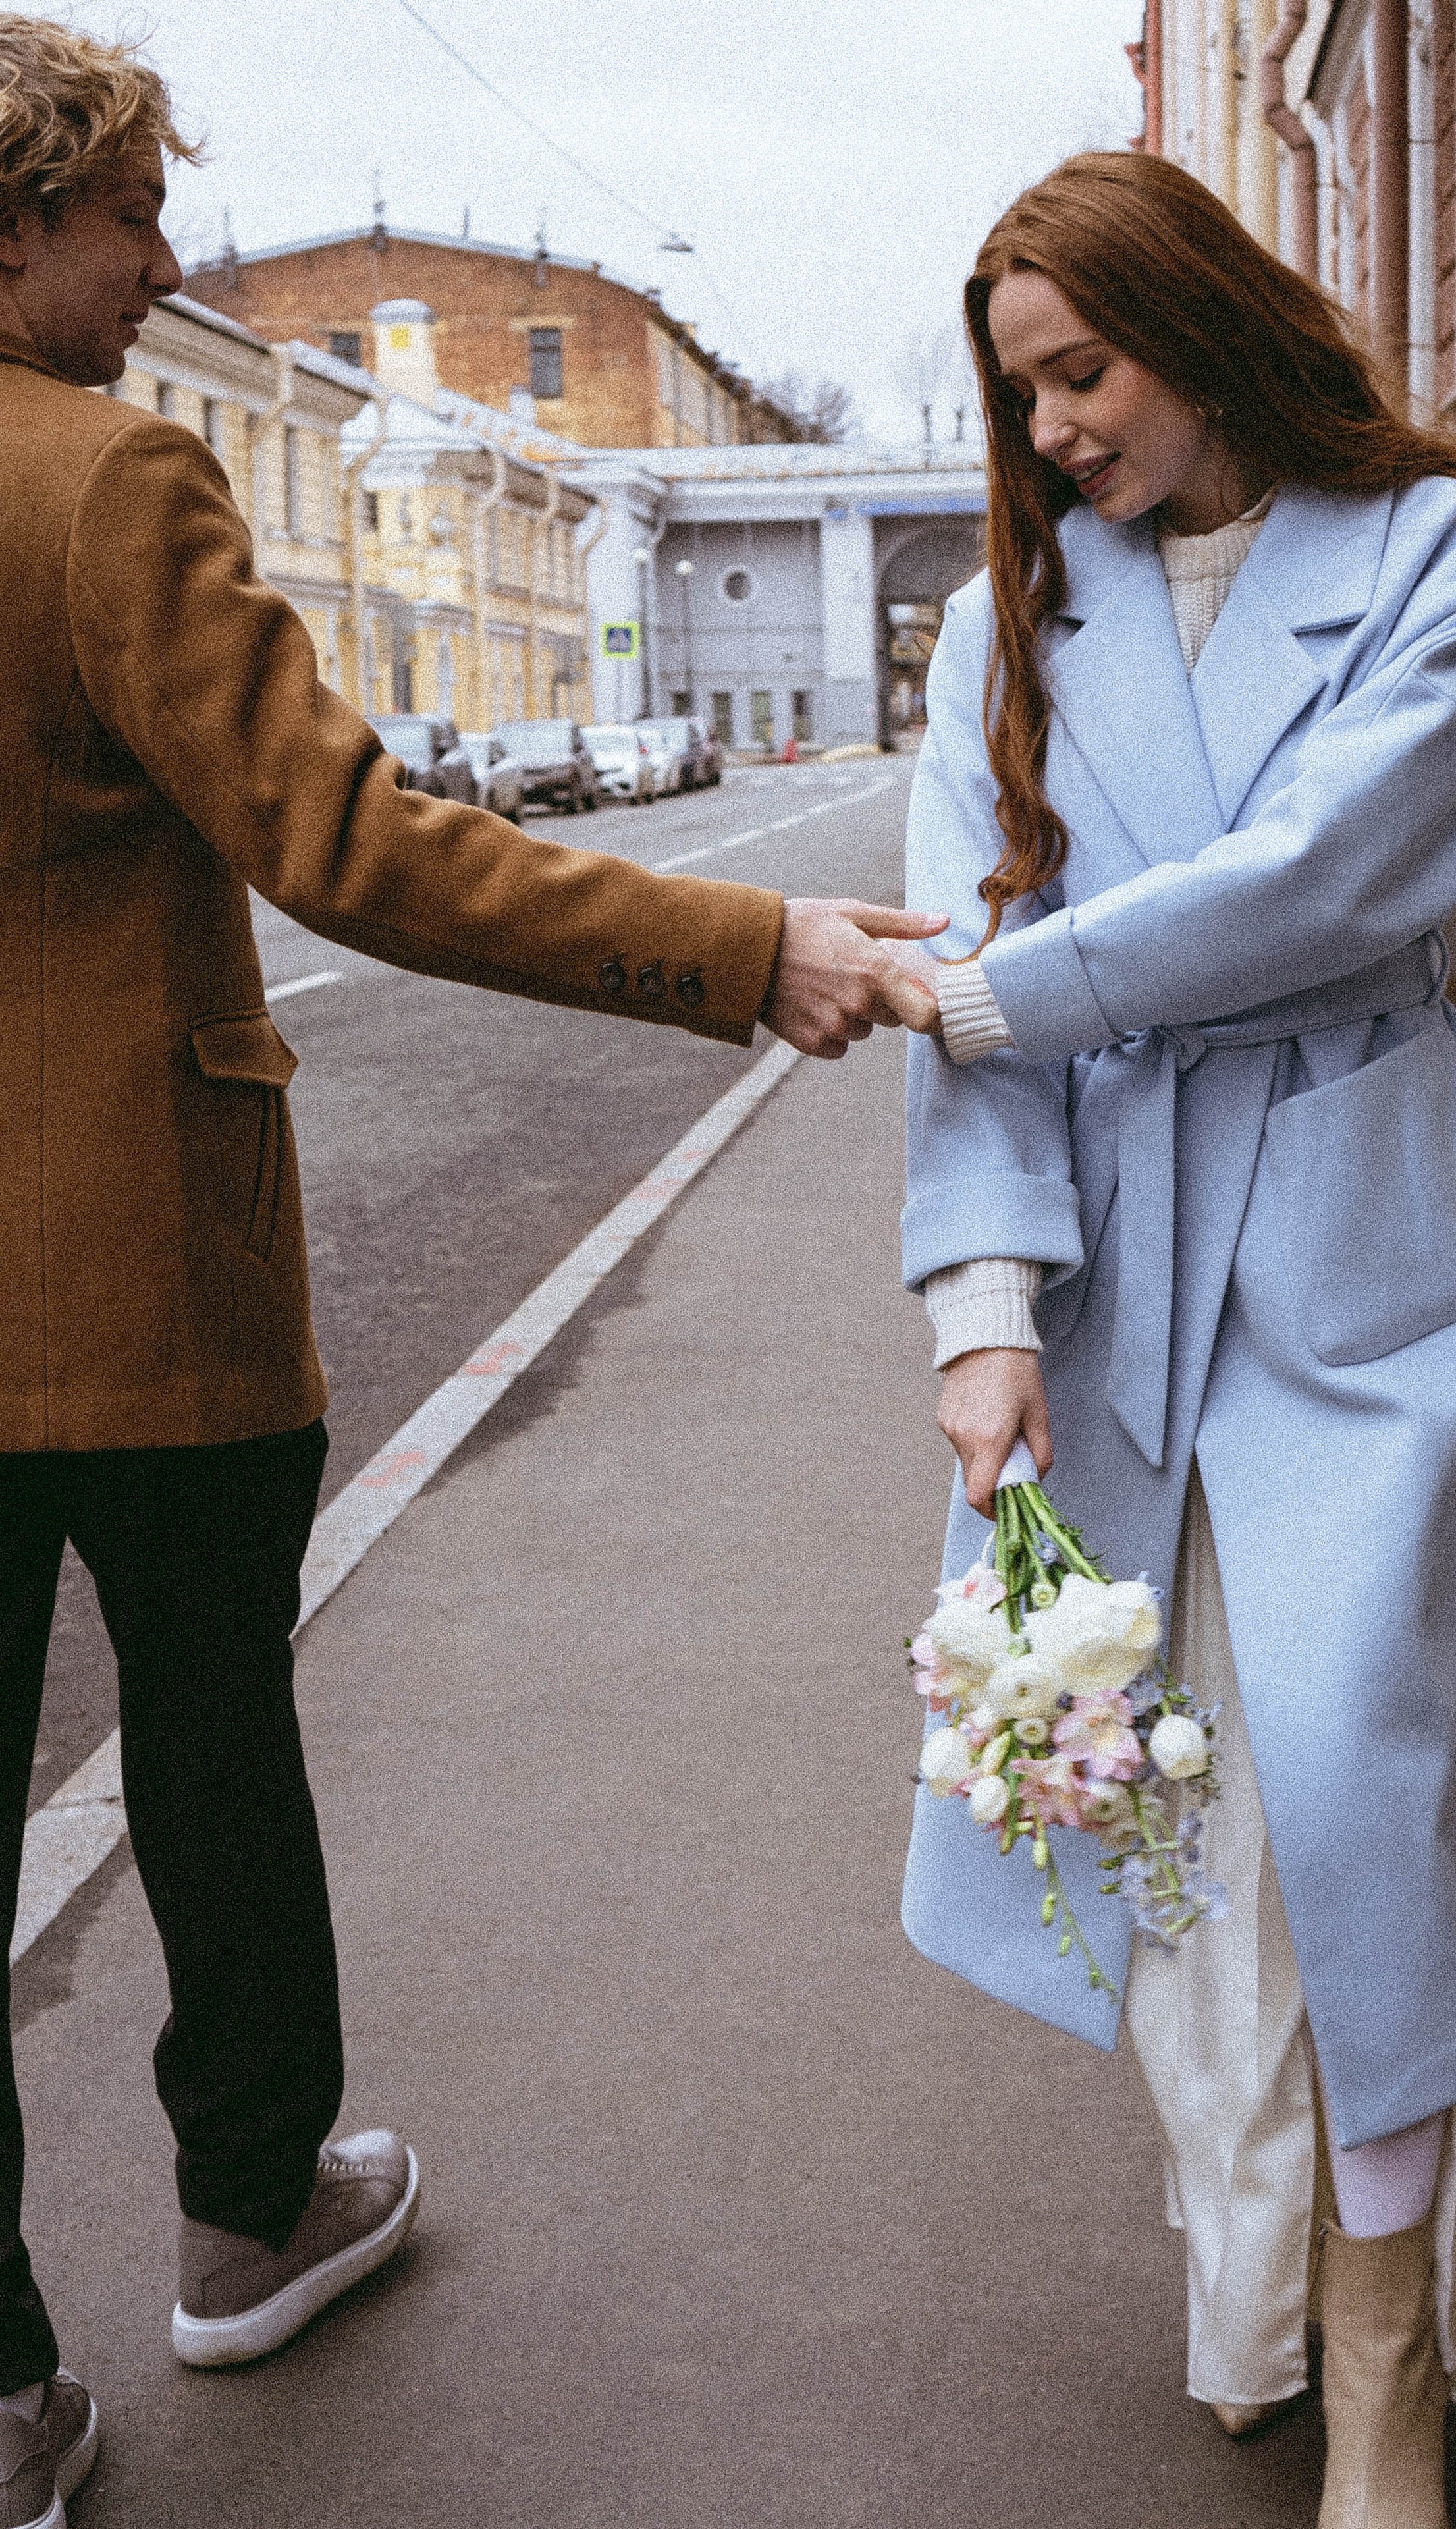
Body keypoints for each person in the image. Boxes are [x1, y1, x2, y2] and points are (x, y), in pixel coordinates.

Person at [0, 18, 942, 2520]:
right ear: (16, 228)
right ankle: (246, 2221)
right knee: (207, 1757)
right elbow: (354, 844)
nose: (163, 266)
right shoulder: (105, 478)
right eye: (125, 223)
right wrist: (743, 951)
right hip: (144, 1284)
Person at [892, 152, 1456, 2529]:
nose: (1052, 424)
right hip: (1104, 1264)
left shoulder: (1439, 548)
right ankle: (1249, 2270)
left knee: (1371, 1810)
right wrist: (979, 1310)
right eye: (1019, 387)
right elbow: (975, 1011)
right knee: (1149, 1829)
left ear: (1206, 316)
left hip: (1371, 1247)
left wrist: (1003, 984)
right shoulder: (1005, 624)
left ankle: (1389, 2359)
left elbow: (1339, 880)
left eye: (1085, 365)